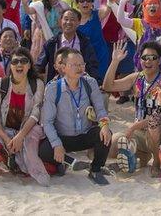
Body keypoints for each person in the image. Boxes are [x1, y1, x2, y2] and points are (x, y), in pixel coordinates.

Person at [38, 47, 112, 185]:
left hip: (84, 134)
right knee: (44, 149)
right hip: (63, 137)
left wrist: (105, 125)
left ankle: (95, 169)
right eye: (74, 65)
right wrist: (56, 144)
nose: (79, 68)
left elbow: (100, 109)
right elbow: (47, 122)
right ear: (63, 67)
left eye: (81, 64)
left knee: (105, 135)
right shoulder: (53, 88)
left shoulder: (90, 83)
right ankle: (69, 162)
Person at [0, 47, 49, 185]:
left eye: (24, 61)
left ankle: (16, 162)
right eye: (15, 61)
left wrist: (20, 136)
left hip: (26, 130)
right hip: (3, 130)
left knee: (33, 144)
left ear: (29, 65)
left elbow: (35, 114)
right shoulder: (0, 84)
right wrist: (5, 138)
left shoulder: (37, 85)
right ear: (10, 65)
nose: (19, 65)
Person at [104, 39, 161, 176]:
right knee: (113, 144)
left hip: (160, 133)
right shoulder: (136, 78)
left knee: (154, 126)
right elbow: (108, 86)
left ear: (159, 61)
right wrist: (115, 61)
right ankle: (141, 157)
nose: (148, 61)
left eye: (153, 58)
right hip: (139, 132)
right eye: (144, 58)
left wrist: (133, 127)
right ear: (139, 60)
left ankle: (156, 164)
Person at [38, 8, 98, 83]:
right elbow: (39, 65)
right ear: (60, 21)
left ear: (79, 22)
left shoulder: (85, 43)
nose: (68, 22)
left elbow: (92, 66)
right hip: (58, 85)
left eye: (72, 19)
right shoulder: (52, 43)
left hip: (80, 85)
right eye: (66, 19)